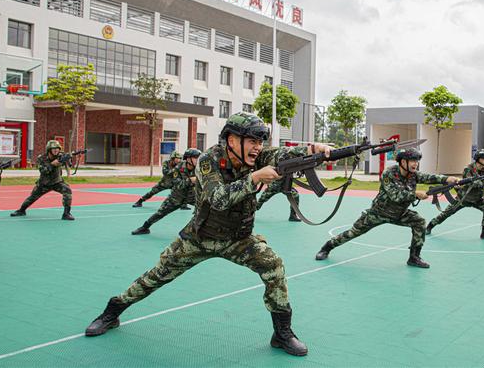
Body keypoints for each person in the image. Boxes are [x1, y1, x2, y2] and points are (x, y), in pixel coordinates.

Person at [85, 113, 334, 356]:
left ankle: (282, 333)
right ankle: (112, 312)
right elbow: (218, 198)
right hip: (199, 238)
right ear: (232, 140)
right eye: (253, 141)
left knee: (274, 268)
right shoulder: (208, 160)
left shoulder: (258, 156)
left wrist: (312, 149)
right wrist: (254, 178)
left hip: (238, 239)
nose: (258, 148)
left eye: (260, 142)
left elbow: (282, 154)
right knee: (157, 276)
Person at [314, 148, 459, 268]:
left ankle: (414, 257)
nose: (416, 164)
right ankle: (327, 247)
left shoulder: (413, 175)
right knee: (353, 232)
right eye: (413, 161)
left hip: (399, 213)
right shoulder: (389, 173)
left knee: (419, 222)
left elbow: (429, 177)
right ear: (403, 162)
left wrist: (447, 179)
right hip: (378, 212)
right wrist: (415, 194)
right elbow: (395, 195)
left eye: (417, 161)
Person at [426, 149, 484, 240]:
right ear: (480, 160)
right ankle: (430, 226)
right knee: (446, 213)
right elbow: (470, 182)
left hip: (477, 199)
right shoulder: (468, 169)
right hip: (463, 198)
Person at [131, 148, 201, 235]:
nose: (198, 160)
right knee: (160, 213)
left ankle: (194, 231)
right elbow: (178, 185)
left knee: (205, 210)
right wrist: (190, 180)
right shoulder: (178, 168)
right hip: (176, 197)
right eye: (195, 158)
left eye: (198, 157)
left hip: (192, 197)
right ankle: (145, 227)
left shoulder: (200, 168)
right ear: (188, 159)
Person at [10, 140, 74, 220]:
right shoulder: (42, 158)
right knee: (32, 197)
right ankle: (21, 210)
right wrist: (52, 164)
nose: (56, 150)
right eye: (53, 148)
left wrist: (69, 159)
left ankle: (66, 214)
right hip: (44, 183)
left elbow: (68, 163)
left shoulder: (60, 156)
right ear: (49, 149)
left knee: (67, 191)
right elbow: (43, 171)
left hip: (57, 182)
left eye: (57, 148)